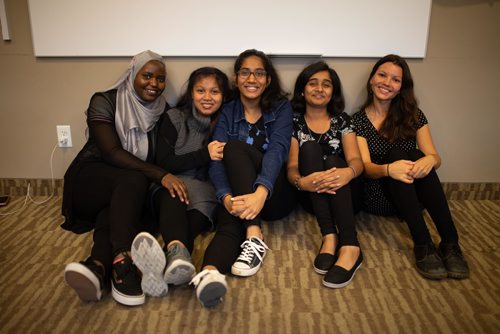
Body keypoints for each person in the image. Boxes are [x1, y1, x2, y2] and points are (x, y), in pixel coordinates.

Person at [62, 50, 187, 306]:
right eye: (147, 76)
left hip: (124, 195)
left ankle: (97, 268)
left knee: (113, 212)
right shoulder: (104, 101)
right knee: (132, 180)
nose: (154, 84)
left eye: (160, 79)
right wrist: (160, 175)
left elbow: (166, 156)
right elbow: (111, 152)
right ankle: (123, 257)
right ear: (133, 74)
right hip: (90, 181)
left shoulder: (164, 112)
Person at [189, 49, 296, 307]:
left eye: (259, 73)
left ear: (268, 79)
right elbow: (215, 158)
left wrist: (261, 192)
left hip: (274, 196)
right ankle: (210, 274)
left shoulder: (281, 108)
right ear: (236, 78)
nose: (252, 79)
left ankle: (254, 233)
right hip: (239, 192)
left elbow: (278, 151)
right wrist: (225, 197)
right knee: (230, 218)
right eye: (245, 72)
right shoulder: (228, 110)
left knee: (234, 148)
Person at [352, 54, 469, 280]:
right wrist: (388, 169)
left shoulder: (414, 115)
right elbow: (366, 167)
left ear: (401, 87)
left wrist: (430, 160)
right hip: (378, 196)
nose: (387, 83)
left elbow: (435, 156)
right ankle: (423, 244)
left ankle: (450, 243)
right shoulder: (357, 121)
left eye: (395, 80)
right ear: (371, 79)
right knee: (396, 154)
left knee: (417, 154)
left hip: (412, 196)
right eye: (382, 75)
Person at [129, 67, 230, 298]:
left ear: (224, 96)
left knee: (199, 214)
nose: (207, 97)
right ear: (191, 93)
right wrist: (204, 154)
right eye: (200, 90)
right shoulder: (174, 117)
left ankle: (168, 262)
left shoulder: (227, 121)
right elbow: (164, 162)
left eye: (215, 92)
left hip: (205, 190)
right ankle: (176, 253)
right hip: (171, 183)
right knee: (176, 193)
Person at [287, 61, 364, 288]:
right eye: (313, 83)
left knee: (332, 160)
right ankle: (329, 236)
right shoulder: (295, 122)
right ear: (303, 89)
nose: (319, 89)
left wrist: (346, 173)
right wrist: (302, 182)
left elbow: (357, 162)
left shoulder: (343, 120)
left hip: (346, 196)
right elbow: (291, 168)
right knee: (309, 148)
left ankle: (351, 246)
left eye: (326, 85)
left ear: (333, 92)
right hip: (313, 196)